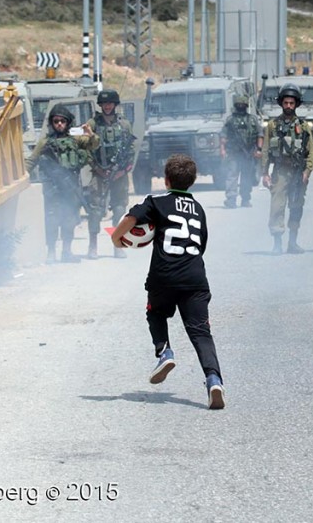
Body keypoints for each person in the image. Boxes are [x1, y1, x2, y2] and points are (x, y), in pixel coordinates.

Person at [112, 154, 225, 410]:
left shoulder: (157, 202)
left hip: (163, 276)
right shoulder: (199, 209)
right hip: (195, 278)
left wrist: (116, 238)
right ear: (193, 182)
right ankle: (213, 379)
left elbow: (131, 218)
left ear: (165, 180)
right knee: (200, 332)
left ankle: (164, 352)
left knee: (156, 312)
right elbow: (201, 244)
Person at [26, 105, 99, 263]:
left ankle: (66, 251)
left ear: (68, 123)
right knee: (52, 219)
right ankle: (51, 253)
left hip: (71, 187)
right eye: (56, 121)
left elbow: (93, 145)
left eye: (62, 121)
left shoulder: (75, 139)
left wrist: (90, 134)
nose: (59, 124)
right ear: (51, 123)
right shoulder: (45, 142)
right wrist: (23, 176)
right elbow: (32, 160)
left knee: (69, 219)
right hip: (52, 188)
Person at [261, 84, 313, 255]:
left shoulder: (304, 126)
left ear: (296, 104)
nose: (289, 106)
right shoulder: (272, 125)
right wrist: (264, 173)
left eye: (292, 103)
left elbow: (311, 150)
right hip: (280, 171)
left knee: (296, 206)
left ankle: (293, 242)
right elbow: (265, 150)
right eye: (286, 103)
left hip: (298, 173)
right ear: (281, 103)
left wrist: (307, 171)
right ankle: (277, 243)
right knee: (277, 206)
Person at [85, 89, 136, 260]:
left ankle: (118, 246)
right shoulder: (92, 124)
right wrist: (97, 168)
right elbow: (85, 149)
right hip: (99, 174)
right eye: (104, 104)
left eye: (110, 103)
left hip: (119, 176)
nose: (107, 106)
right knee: (95, 210)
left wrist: (123, 171)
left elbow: (131, 150)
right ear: (100, 105)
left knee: (120, 209)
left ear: (115, 104)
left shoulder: (124, 125)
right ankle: (93, 246)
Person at [220, 94, 264, 209]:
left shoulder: (252, 119)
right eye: (238, 104)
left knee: (246, 177)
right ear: (235, 105)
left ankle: (245, 199)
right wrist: (223, 150)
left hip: (248, 154)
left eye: (242, 104)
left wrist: (259, 149)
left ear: (246, 105)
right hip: (234, 154)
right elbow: (223, 136)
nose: (240, 106)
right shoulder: (230, 120)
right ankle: (231, 199)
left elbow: (260, 135)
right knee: (232, 176)